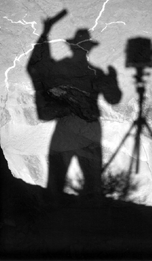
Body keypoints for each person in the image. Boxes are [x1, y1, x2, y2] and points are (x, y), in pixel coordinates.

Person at [27, 12, 122, 202]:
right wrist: (112, 81)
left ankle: (56, 219)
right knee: (91, 186)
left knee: (59, 184)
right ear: (88, 49)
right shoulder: (95, 73)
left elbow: (35, 67)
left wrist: (45, 33)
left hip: (69, 133)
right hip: (87, 134)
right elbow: (114, 98)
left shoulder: (65, 70)